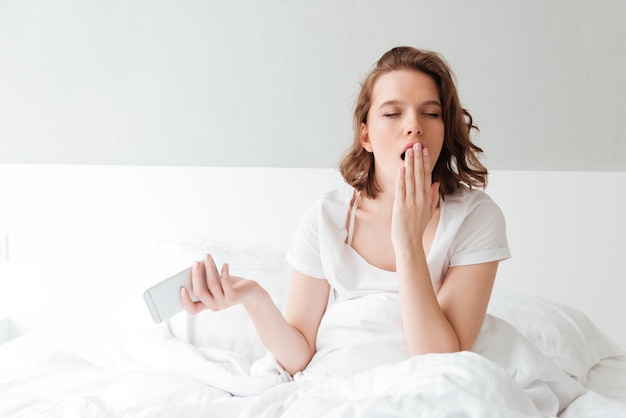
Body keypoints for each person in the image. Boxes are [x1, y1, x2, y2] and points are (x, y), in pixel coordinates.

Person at [180, 46, 510, 378]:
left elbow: (441, 362)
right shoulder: (326, 217)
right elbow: (298, 357)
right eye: (393, 113)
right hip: (339, 383)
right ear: (366, 134)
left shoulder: (475, 218)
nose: (414, 126)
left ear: (444, 128)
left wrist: (408, 242)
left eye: (431, 113)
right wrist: (253, 297)